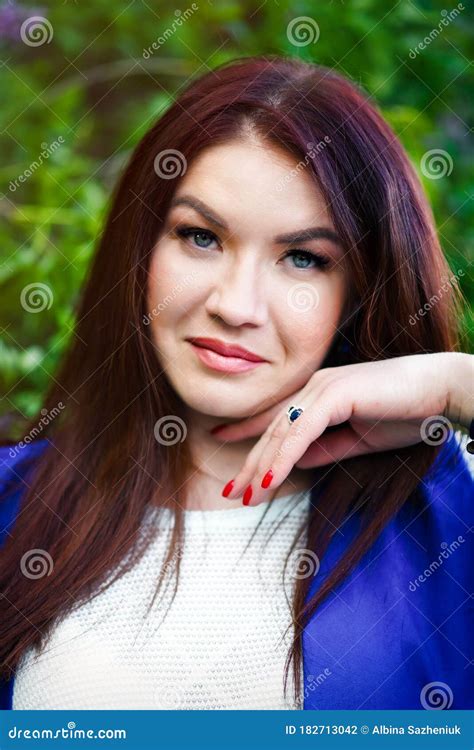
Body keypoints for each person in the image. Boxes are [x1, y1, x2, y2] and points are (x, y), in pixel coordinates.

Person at [0, 55, 473, 711]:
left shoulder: (447, 508)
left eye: (303, 258)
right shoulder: (13, 506)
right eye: (200, 237)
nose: (236, 304)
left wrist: (453, 382)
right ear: (140, 250)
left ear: (361, 291)